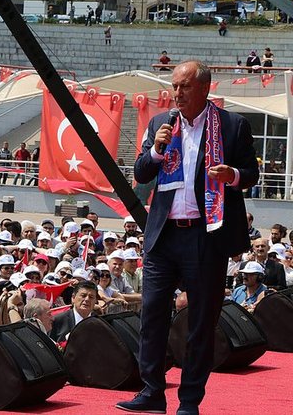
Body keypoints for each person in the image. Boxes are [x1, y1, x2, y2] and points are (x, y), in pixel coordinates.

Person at [116, 60, 258, 415]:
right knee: (151, 315)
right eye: (174, 86)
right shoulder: (159, 123)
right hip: (164, 234)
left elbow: (251, 173)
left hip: (206, 235)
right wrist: (156, 150)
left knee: (200, 323)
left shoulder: (232, 125)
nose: (176, 93)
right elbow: (141, 172)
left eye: (184, 87)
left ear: (205, 88)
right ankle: (151, 391)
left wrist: (233, 175)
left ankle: (190, 401)